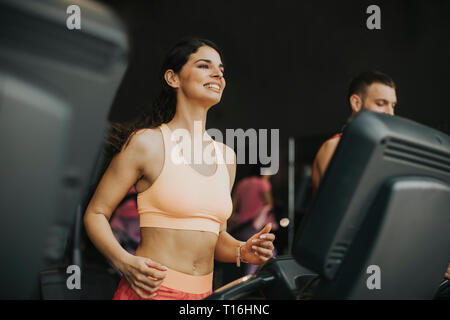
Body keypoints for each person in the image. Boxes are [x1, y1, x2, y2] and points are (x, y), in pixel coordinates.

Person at [83, 38, 276, 300]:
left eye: (221, 69)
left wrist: (242, 250)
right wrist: (124, 262)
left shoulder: (226, 157)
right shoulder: (147, 143)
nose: (218, 73)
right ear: (173, 78)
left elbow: (215, 237)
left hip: (204, 296)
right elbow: (95, 213)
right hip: (150, 292)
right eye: (204, 66)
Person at [311, 71, 397, 194]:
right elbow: (340, 204)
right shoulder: (334, 147)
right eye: (381, 104)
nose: (390, 113)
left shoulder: (384, 151)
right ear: (356, 103)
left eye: (393, 105)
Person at [230, 167, 279, 275]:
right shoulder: (263, 183)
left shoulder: (242, 183)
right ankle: (253, 283)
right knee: (267, 254)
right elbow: (269, 205)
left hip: (241, 229)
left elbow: (232, 207)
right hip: (256, 228)